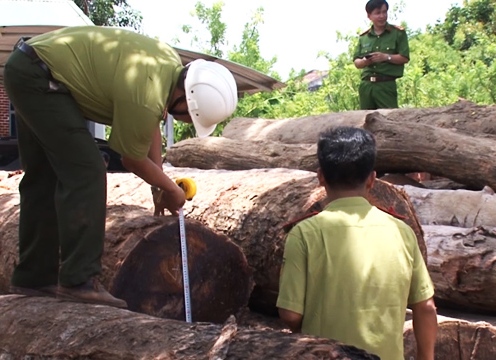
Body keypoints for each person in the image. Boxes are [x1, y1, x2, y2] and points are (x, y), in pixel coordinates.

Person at [4, 26, 238, 308]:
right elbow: (131, 158)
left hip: (28, 66)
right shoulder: (145, 95)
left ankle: (33, 278)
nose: (187, 122)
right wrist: (170, 191)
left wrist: (159, 182)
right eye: (190, 118)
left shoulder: (165, 67)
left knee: (44, 176)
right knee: (87, 170)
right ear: (185, 101)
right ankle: (79, 281)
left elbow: (150, 126)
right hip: (40, 78)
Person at [276, 126, 437, 360]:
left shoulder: (303, 234)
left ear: (320, 177)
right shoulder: (401, 231)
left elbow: (290, 315)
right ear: (372, 179)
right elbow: (426, 308)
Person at [353, 0, 410, 110]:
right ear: (369, 16)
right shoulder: (364, 37)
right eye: (378, 13)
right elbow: (357, 62)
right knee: (365, 121)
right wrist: (365, 61)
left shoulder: (397, 33)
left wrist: (386, 57)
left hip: (386, 85)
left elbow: (404, 57)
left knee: (389, 119)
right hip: (366, 86)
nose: (382, 16)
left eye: (384, 12)